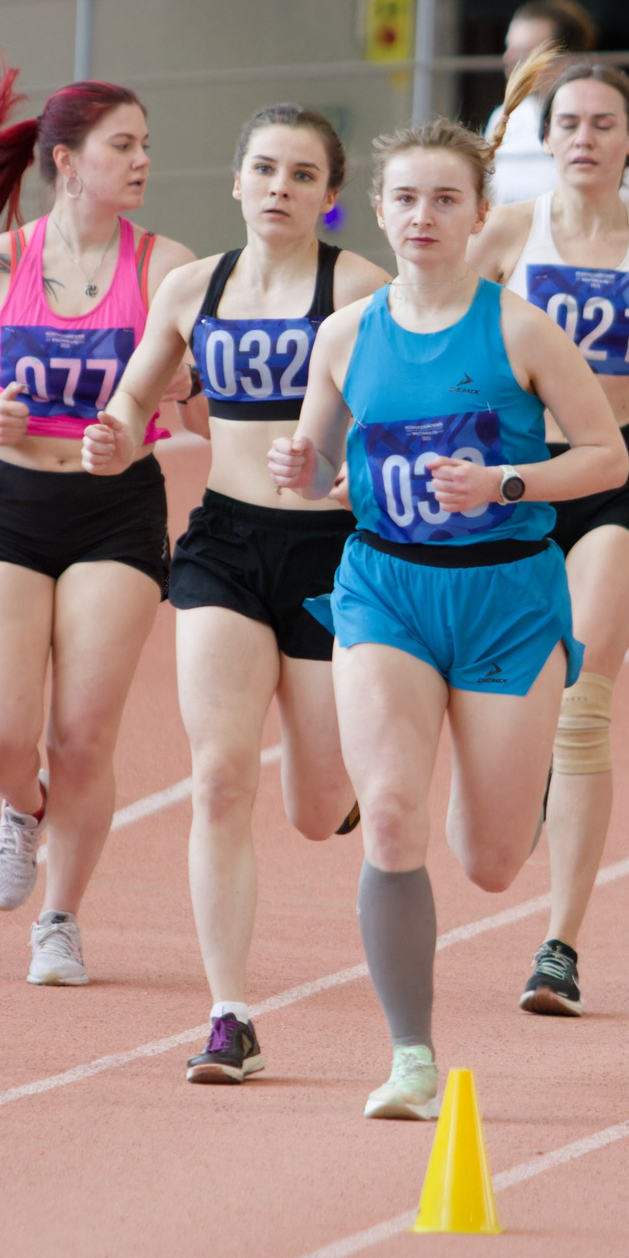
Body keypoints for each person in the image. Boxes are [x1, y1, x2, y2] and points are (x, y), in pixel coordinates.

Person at [267, 119, 626, 1120]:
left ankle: (529, 772)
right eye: (406, 199)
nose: (423, 217)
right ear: (377, 212)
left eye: (445, 200)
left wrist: (503, 480)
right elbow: (325, 472)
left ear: (477, 216)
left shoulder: (519, 329)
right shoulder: (344, 336)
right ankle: (411, 1058)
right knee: (388, 816)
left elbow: (608, 459)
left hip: (508, 599)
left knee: (493, 862)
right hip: (384, 590)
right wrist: (303, 475)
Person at [82, 104, 389, 1082]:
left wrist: (347, 467)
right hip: (222, 542)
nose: (278, 189)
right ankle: (229, 1013)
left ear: (330, 199)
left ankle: (332, 799)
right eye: (263, 169)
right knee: (218, 777)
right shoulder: (190, 288)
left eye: (302, 176)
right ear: (234, 180)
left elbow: (408, 419)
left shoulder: (363, 292)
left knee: (313, 805)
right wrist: (116, 435)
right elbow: (136, 398)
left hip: (334, 553)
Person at [0, 66, 195, 987]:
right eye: (123, 145)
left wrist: (167, 401)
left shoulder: (166, 266)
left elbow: (192, 390)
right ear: (67, 161)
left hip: (118, 506)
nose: (143, 160)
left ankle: (59, 918)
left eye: (145, 144)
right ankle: (20, 810)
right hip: (11, 502)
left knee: (82, 736)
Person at [468, 47, 629, 1014]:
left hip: (617, 477)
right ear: (548, 141)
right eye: (568, 124)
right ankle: (517, 783)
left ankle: (558, 946)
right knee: (515, 693)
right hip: (517, 479)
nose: (584, 138)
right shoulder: (504, 234)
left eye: (602, 124)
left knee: (584, 695)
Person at [484, 0, 629, 211]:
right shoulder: (505, 117)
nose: (509, 59)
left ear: (567, 58)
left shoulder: (616, 115)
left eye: (526, 53)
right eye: (509, 48)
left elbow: (628, 207)